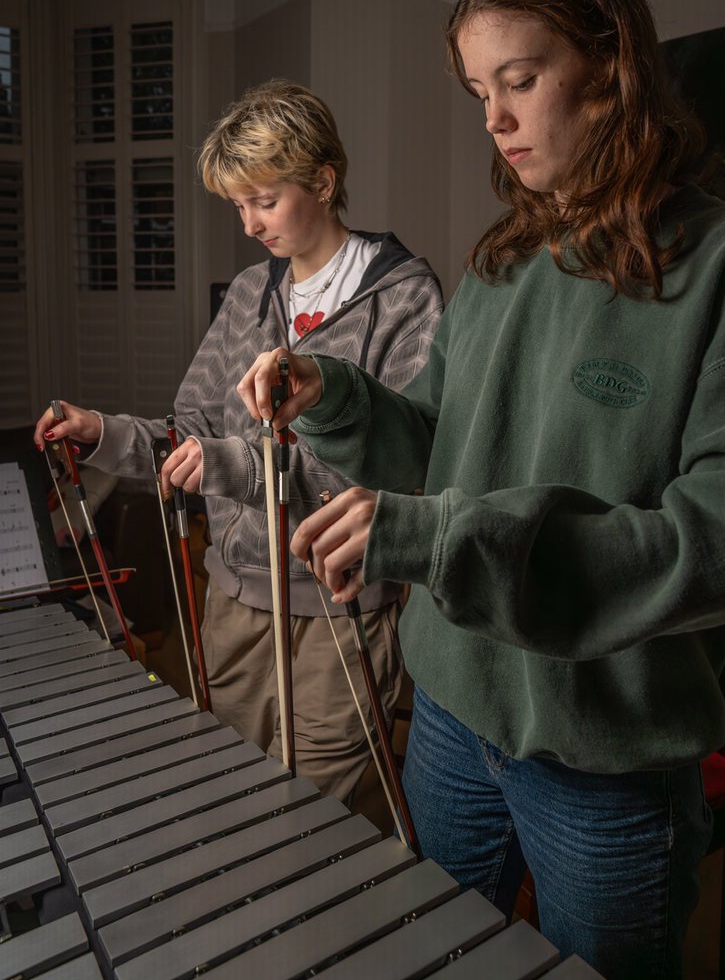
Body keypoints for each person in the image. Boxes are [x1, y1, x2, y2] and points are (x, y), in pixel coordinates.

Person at [236, 0, 725, 979]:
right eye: (475, 92)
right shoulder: (498, 265)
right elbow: (429, 453)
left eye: (519, 80)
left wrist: (442, 535)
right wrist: (335, 396)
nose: (493, 120)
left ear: (612, 70)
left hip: (604, 757)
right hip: (450, 711)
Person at [33, 79, 443, 804]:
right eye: (238, 205)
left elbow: (398, 467)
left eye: (266, 199)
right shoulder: (251, 293)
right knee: (234, 806)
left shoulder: (405, 298)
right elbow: (191, 434)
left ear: (324, 179)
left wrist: (236, 466)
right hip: (234, 606)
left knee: (313, 820)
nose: (250, 223)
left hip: (337, 615)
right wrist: (104, 434)